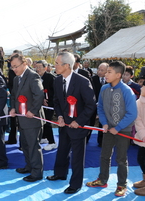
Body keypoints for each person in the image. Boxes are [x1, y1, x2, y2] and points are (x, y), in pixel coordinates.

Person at [46, 52, 96, 194]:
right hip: (64, 125)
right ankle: (60, 174)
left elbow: (91, 105)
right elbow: (56, 101)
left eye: (56, 63)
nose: (54, 65)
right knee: (62, 151)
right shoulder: (57, 80)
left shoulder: (82, 81)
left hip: (78, 126)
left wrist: (78, 121)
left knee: (77, 157)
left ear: (67, 65)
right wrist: (60, 116)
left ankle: (75, 184)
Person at [86, 61, 137, 197]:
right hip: (108, 129)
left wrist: (119, 127)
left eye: (109, 72)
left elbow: (132, 113)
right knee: (104, 155)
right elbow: (100, 107)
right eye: (106, 71)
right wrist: (104, 123)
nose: (105, 74)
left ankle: (122, 185)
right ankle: (102, 179)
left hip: (123, 130)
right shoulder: (104, 89)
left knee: (121, 158)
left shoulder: (127, 91)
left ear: (118, 75)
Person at [9, 53, 44, 182]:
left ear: (24, 64)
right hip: (22, 119)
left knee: (33, 146)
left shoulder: (33, 76)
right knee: (25, 145)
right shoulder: (16, 78)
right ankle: (29, 166)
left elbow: (39, 95)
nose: (14, 69)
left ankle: (37, 172)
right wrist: (13, 108)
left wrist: (33, 111)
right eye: (12, 67)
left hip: (32, 119)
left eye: (16, 66)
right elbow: (13, 96)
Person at [133, 77, 145, 196]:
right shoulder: (139, 102)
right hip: (144, 139)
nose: (141, 87)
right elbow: (137, 120)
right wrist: (144, 134)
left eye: (144, 86)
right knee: (141, 159)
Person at [35, 60, 56, 150]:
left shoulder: (51, 77)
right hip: (41, 103)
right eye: (37, 67)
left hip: (50, 104)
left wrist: (48, 100)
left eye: (40, 67)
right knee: (41, 121)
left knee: (47, 122)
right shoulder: (36, 77)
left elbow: (55, 92)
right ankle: (44, 137)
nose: (38, 69)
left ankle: (52, 142)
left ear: (45, 67)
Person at [5, 50, 23, 144]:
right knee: (12, 119)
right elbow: (10, 83)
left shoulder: (26, 72)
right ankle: (12, 139)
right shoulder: (11, 71)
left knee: (21, 121)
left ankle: (22, 143)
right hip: (13, 96)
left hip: (23, 99)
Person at [89, 63, 109, 147]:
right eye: (98, 69)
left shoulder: (110, 80)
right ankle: (85, 139)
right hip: (93, 105)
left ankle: (102, 141)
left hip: (105, 107)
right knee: (90, 122)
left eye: (102, 70)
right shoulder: (92, 79)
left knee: (103, 123)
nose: (99, 72)